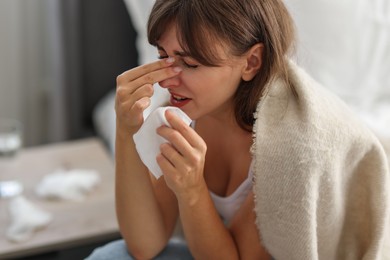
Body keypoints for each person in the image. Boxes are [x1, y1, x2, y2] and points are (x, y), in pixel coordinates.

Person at [87, 0, 389, 259]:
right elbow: (145, 244)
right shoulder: (183, 108)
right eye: (163, 57)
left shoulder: (290, 148)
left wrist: (192, 192)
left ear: (251, 62)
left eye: (190, 63)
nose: (166, 80)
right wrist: (127, 131)